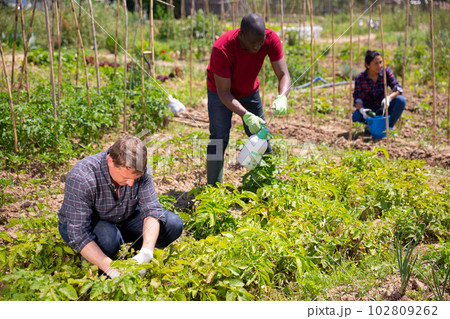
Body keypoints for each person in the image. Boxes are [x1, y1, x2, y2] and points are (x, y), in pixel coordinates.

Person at [58, 135, 184, 278]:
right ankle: (98, 268)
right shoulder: (82, 177)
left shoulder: (138, 167)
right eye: (125, 178)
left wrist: (146, 253)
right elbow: (78, 233)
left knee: (172, 224)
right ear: (110, 161)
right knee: (109, 237)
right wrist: (111, 269)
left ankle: (133, 263)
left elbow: (152, 210)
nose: (131, 184)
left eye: (134, 179)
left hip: (123, 218)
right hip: (87, 226)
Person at [206, 13, 291, 185]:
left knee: (260, 134)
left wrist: (282, 96)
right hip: (220, 91)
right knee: (218, 137)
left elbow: (284, 75)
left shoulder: (270, 38)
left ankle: (266, 184)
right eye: (253, 42)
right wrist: (246, 114)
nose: (258, 46)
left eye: (261, 42)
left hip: (249, 89)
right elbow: (224, 93)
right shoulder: (222, 48)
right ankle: (213, 188)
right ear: (241, 35)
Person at [353, 50, 406, 131]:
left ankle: (388, 128)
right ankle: (370, 127)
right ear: (367, 65)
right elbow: (357, 99)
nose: (379, 65)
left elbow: (397, 88)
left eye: (380, 62)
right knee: (356, 116)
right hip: (369, 109)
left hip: (384, 107)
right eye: (376, 63)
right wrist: (362, 110)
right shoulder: (360, 78)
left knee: (401, 100)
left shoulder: (386, 72)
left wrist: (389, 98)